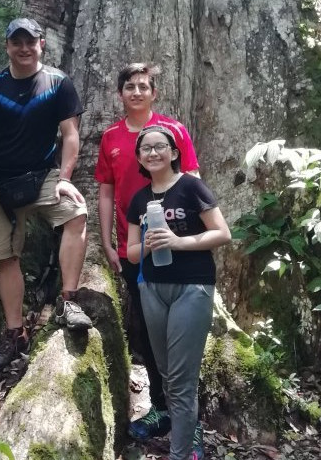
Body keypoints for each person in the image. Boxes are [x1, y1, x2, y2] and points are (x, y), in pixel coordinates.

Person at [0, 17, 92, 373]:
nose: (23, 48)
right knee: (5, 255)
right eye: (16, 42)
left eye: (30, 42)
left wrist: (65, 178)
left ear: (41, 45)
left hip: (43, 176)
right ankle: (15, 333)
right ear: (7, 46)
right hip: (0, 182)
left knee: (76, 214)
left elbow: (70, 135)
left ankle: (68, 301)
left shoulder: (57, 83)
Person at [95, 63, 200, 440]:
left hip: (177, 246)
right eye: (129, 87)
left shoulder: (174, 132)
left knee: (180, 330)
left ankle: (187, 413)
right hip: (133, 248)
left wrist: (188, 235)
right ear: (120, 94)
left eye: (143, 86)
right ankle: (161, 407)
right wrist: (108, 241)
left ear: (154, 93)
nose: (136, 92)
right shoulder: (111, 138)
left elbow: (192, 181)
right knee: (149, 331)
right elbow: (106, 190)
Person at [127, 124, 231, 460]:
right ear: (139, 157)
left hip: (192, 286)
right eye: (146, 148)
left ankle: (181, 452)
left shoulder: (191, 187)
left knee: (182, 379)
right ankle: (185, 433)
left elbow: (222, 233)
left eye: (161, 147)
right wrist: (146, 239)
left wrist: (177, 242)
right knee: (167, 373)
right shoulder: (139, 199)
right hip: (152, 288)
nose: (153, 152)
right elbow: (129, 251)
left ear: (174, 153)